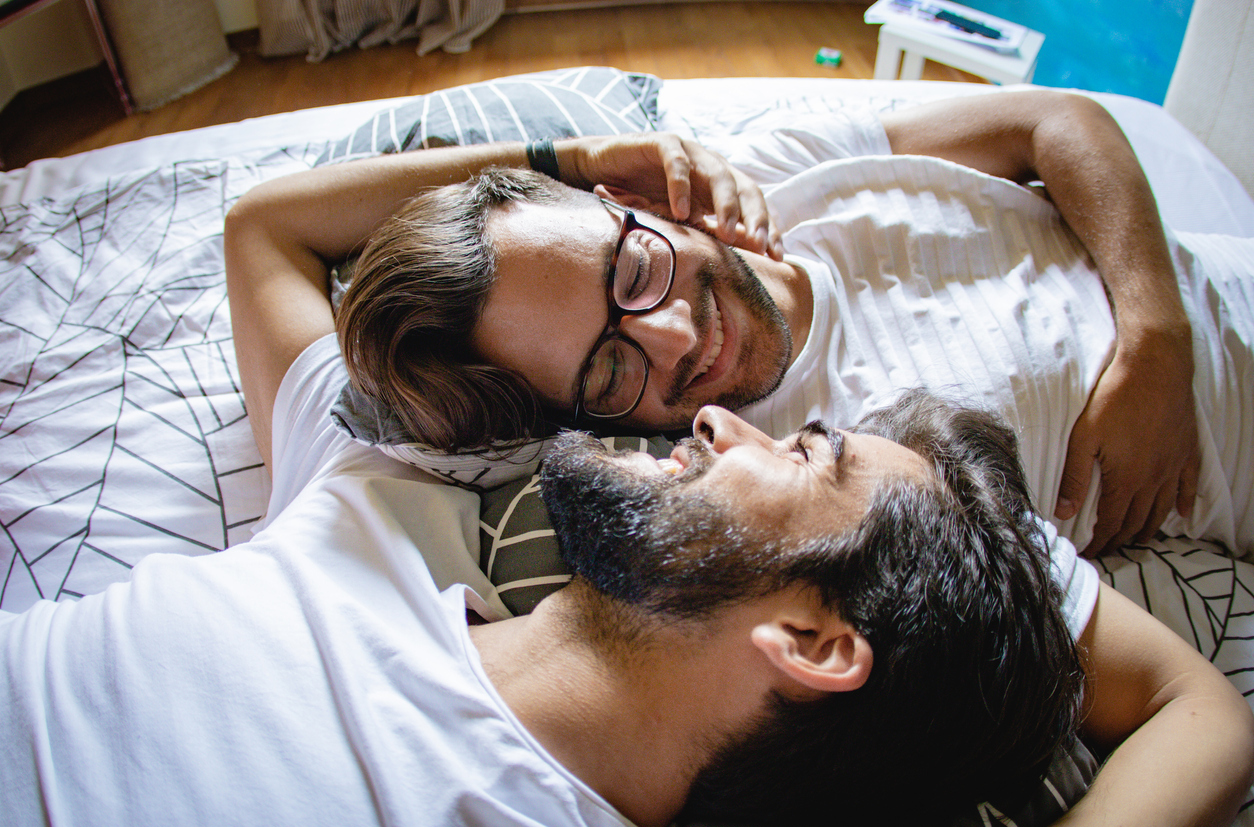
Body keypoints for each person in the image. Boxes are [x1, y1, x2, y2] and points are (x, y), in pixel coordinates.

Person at [2, 377, 1250, 827]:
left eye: (807, 448)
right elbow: (271, 228)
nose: (715, 417)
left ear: (814, 641)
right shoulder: (384, 497)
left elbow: (1201, 708)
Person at [233, 89, 1251, 560]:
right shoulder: (815, 473)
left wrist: (1153, 331)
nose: (673, 338)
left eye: (632, 269)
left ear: (634, 201)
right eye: (610, 372)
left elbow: (1056, 123)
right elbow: (271, 230)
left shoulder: (775, 166)